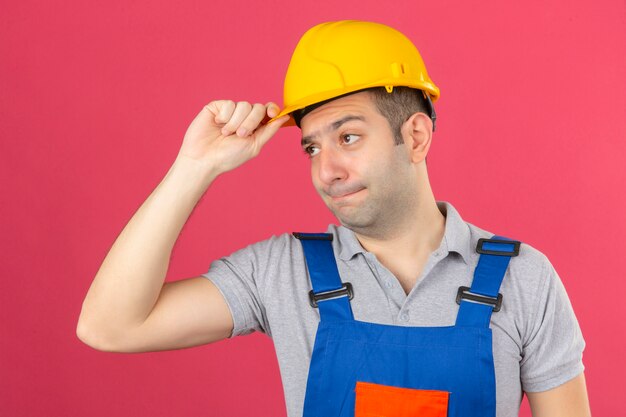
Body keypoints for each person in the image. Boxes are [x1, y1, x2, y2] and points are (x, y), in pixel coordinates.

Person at [77, 20, 591, 417]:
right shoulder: (283, 271)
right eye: (311, 147)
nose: (327, 170)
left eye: (348, 138)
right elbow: (111, 327)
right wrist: (195, 167)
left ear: (414, 136)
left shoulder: (523, 279)